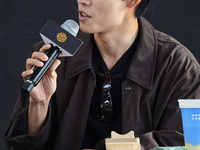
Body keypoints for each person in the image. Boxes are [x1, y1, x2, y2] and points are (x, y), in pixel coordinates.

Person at [4, 0, 200, 149]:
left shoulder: (178, 66)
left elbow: (188, 143)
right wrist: (39, 104)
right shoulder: (51, 56)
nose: (83, 1)